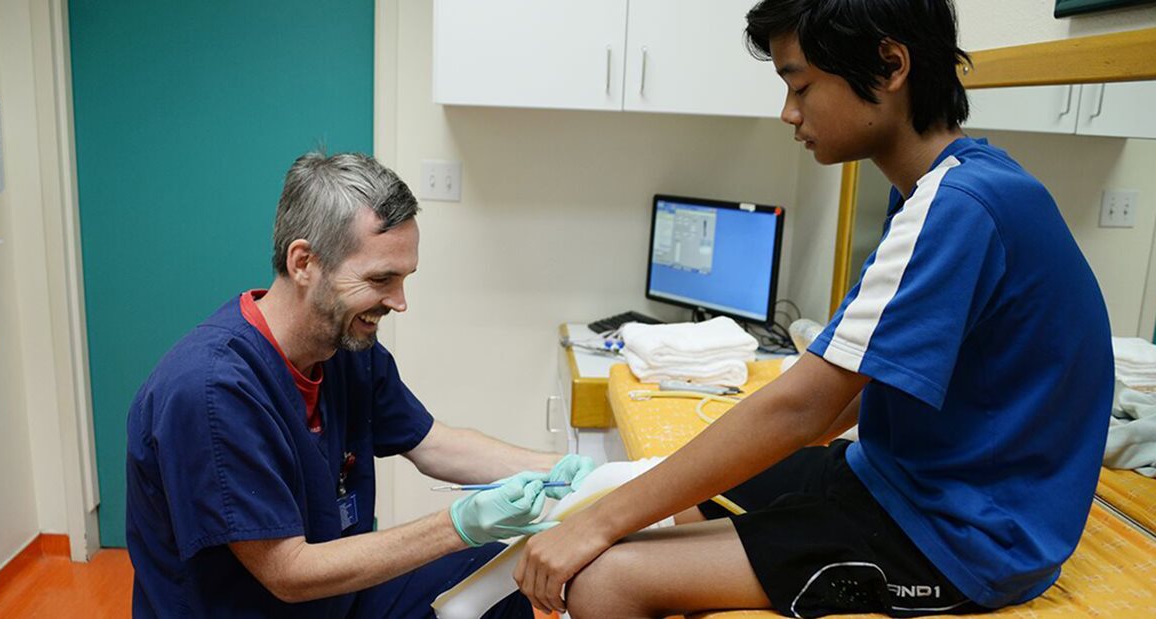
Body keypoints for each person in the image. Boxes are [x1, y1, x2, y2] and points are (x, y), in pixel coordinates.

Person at [514, 1, 1114, 617]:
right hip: (892, 479)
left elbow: (805, 409)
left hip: (962, 539)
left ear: (890, 66)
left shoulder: (961, 207)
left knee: (604, 579)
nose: (789, 112)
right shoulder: (949, 189)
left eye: (800, 86)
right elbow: (850, 390)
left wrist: (594, 528)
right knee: (658, 504)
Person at [125, 151, 595, 618]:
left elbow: (432, 443)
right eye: (381, 279)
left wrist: (562, 472)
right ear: (303, 262)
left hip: (331, 602)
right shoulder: (212, 391)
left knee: (491, 579)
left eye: (404, 279)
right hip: (257, 606)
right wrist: (458, 525)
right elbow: (287, 572)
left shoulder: (345, 349)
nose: (399, 302)